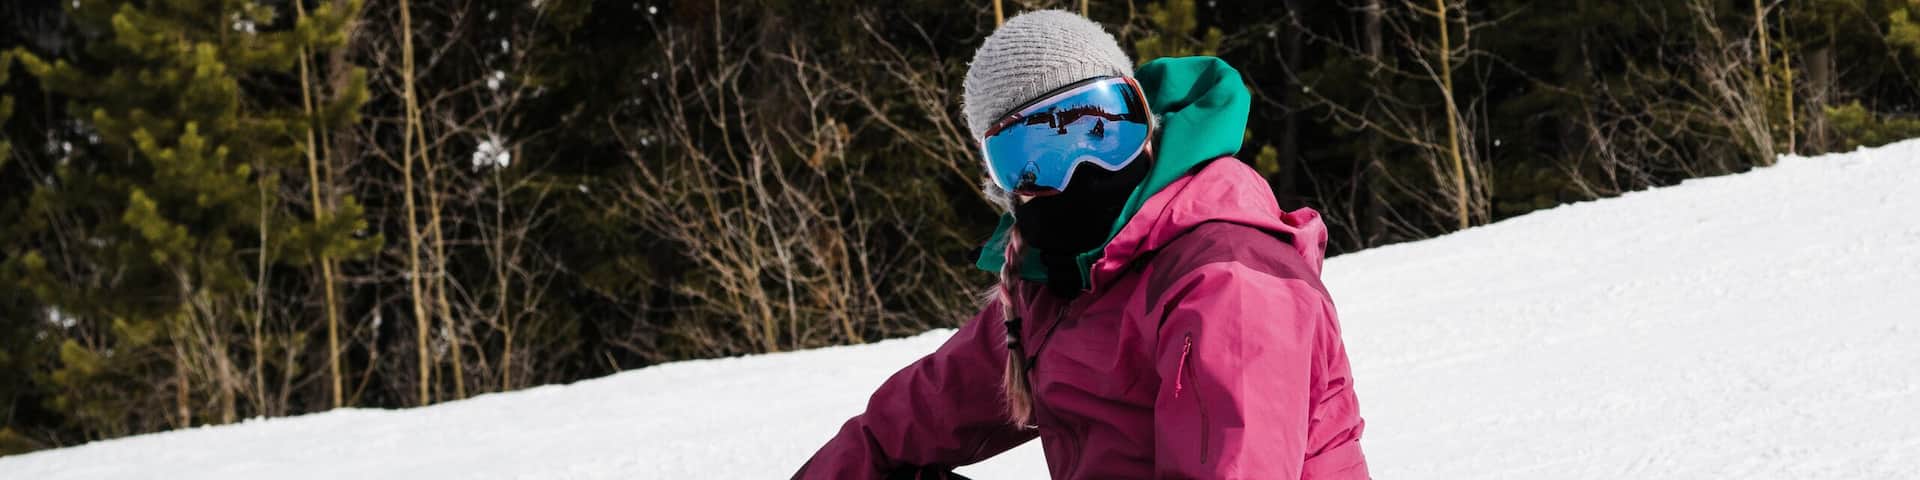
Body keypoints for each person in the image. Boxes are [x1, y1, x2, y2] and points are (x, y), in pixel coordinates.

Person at [795, 10, 1368, 480]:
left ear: (1145, 121)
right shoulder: (1059, 284)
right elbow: (908, 422)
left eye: (1100, 131)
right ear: (1002, 181)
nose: (1077, 173)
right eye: (1032, 159)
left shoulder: (1227, 282)